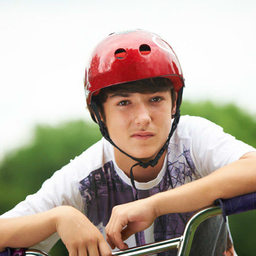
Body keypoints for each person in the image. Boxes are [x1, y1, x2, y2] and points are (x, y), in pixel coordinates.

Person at [0, 29, 256, 256]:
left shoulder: (192, 139)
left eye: (155, 99)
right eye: (124, 103)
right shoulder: (84, 177)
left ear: (174, 103)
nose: (143, 118)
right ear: (99, 114)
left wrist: (153, 206)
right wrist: (58, 218)